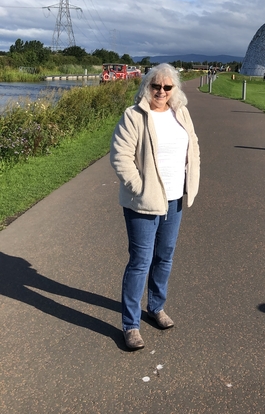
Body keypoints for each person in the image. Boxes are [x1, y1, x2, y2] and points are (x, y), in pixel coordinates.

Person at [110, 63, 200, 350]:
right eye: (155, 86)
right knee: (140, 262)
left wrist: (192, 176)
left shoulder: (181, 113)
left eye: (167, 87)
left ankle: (156, 307)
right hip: (143, 203)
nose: (161, 91)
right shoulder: (134, 116)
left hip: (174, 200)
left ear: (174, 89)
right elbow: (120, 156)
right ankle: (131, 325)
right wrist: (139, 188)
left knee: (165, 256)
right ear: (146, 86)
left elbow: (193, 145)